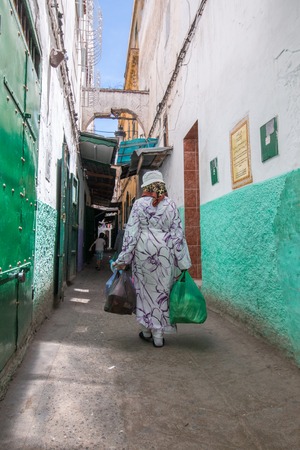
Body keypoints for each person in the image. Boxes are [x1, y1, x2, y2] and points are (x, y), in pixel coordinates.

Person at [113, 170, 191, 348]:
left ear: (146, 187)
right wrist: (183, 261)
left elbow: (131, 233)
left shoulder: (139, 204)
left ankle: (147, 330)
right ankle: (158, 335)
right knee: (162, 292)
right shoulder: (171, 205)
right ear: (161, 185)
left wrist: (124, 258)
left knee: (144, 292)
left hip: (143, 253)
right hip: (165, 253)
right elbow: (178, 234)